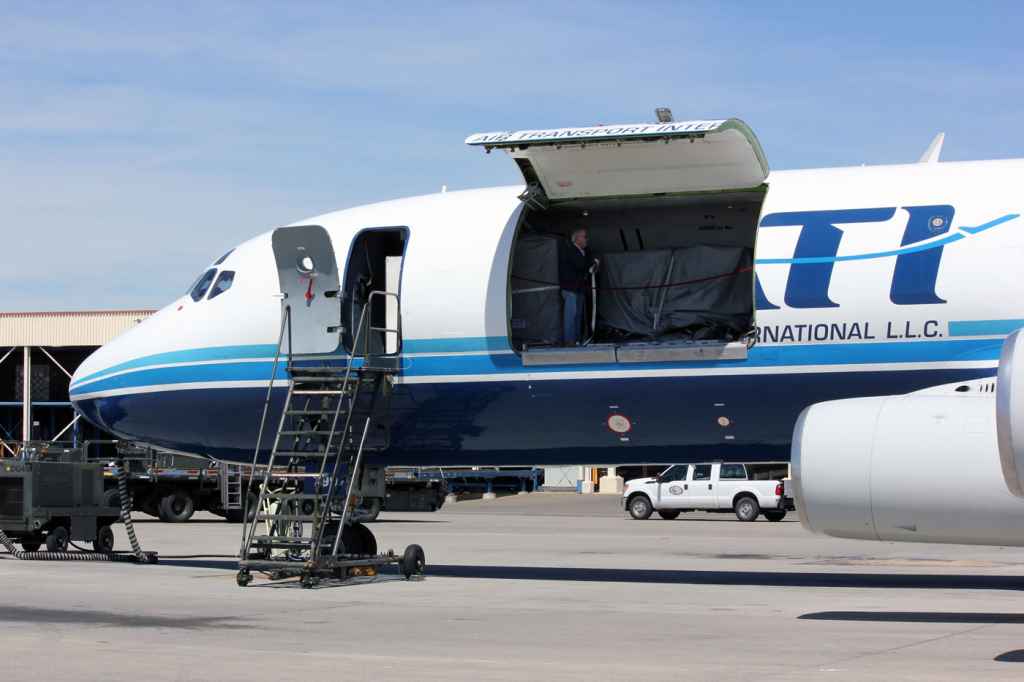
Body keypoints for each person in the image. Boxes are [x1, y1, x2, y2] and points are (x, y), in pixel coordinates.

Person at [558, 228, 599, 346]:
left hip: (579, 288)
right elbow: (581, 265)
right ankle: (569, 340)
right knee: (571, 315)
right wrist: (593, 263)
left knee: (578, 315)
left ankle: (576, 339)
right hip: (570, 288)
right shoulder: (570, 251)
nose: (586, 239)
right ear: (576, 238)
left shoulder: (585, 251)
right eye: (584, 236)